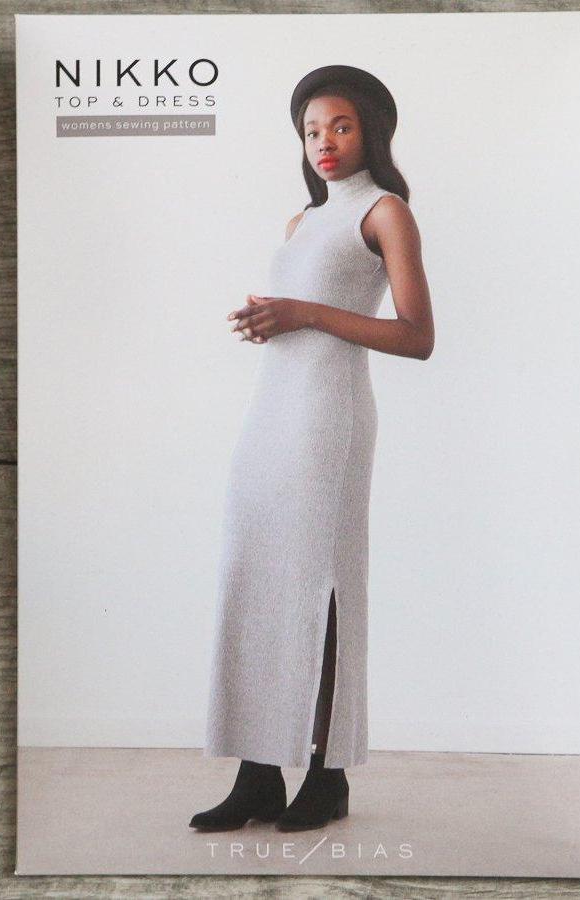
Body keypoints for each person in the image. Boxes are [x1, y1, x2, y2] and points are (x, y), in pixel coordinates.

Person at [190, 64, 434, 833]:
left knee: (319, 586)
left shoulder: (386, 212)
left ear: (371, 131)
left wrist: (306, 313)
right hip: (271, 415)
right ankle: (258, 773)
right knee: (255, 579)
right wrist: (273, 318)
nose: (324, 142)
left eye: (341, 127)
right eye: (311, 130)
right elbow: (300, 314)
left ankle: (327, 777)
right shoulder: (303, 222)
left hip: (329, 421)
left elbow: (417, 336)